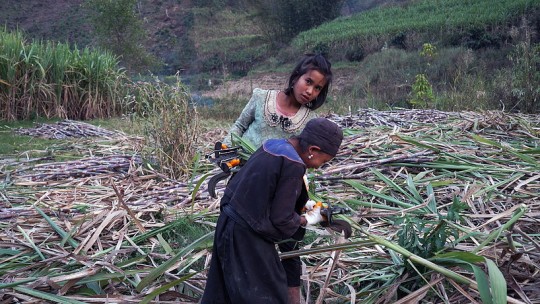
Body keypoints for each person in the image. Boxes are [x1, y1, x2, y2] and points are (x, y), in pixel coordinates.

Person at [201, 118, 344, 304]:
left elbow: (264, 189)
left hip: (229, 224)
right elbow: (282, 220)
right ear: (313, 150)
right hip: (246, 238)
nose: (318, 166)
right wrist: (308, 219)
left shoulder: (274, 146)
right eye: (323, 161)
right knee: (264, 294)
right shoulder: (294, 164)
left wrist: (303, 203)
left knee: (224, 292)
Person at [224, 53, 333, 148]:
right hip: (239, 165)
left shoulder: (310, 121)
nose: (310, 91)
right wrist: (227, 151)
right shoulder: (261, 97)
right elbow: (239, 126)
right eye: (308, 81)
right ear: (296, 77)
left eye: (317, 88)